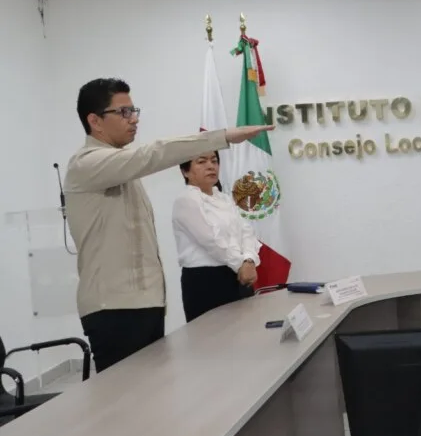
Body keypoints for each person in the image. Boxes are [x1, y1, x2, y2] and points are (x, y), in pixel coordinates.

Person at [64, 78, 273, 372]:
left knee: (153, 393)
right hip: (113, 308)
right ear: (95, 121)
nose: (134, 119)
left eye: (134, 110)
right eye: (123, 112)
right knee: (126, 395)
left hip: (145, 304)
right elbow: (153, 153)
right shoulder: (87, 164)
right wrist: (223, 136)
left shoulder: (122, 169)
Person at [172, 151, 260, 322]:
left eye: (214, 161)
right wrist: (240, 265)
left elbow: (246, 231)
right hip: (206, 281)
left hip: (238, 275)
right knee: (213, 336)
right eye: (202, 161)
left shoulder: (224, 198)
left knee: (246, 331)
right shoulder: (186, 200)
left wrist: (249, 260)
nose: (211, 166)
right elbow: (211, 240)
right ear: (185, 171)